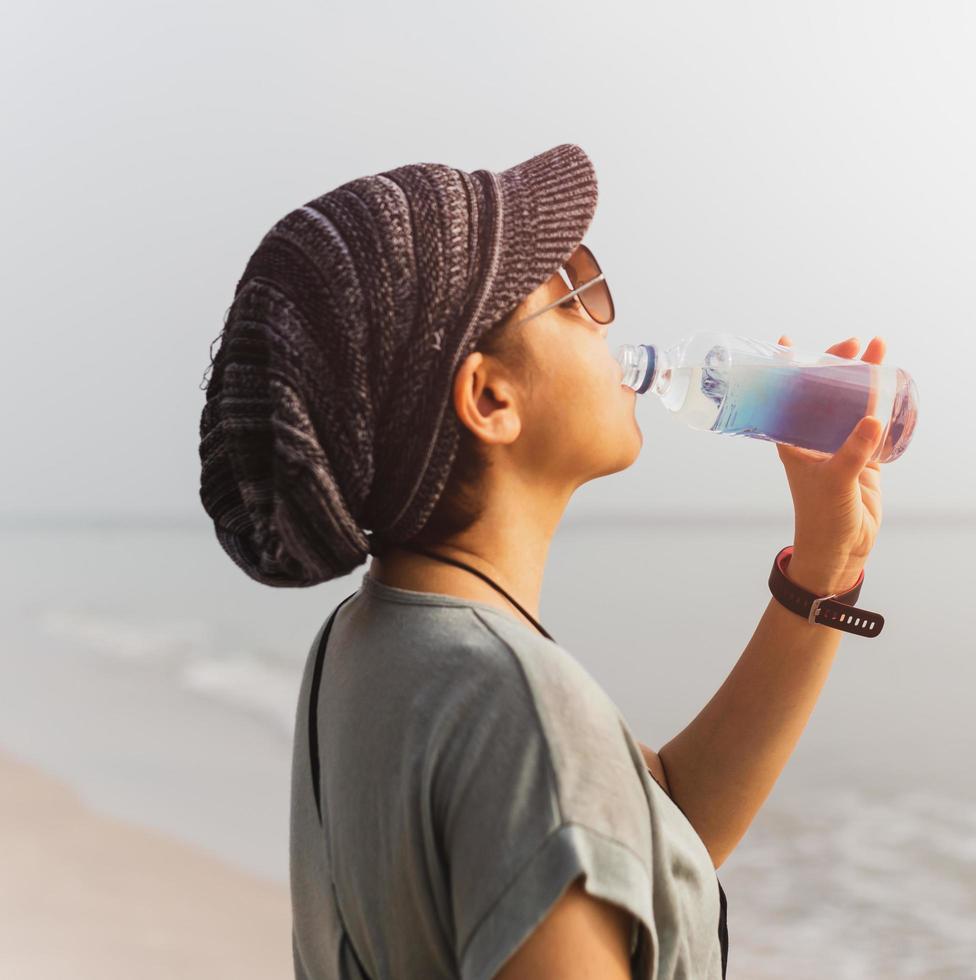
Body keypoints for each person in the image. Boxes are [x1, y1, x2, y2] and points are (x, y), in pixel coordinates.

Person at [197, 143, 888, 979]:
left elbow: (644, 829)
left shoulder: (368, 643)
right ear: (491, 398)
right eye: (571, 297)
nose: (607, 320)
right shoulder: (513, 704)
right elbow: (565, 797)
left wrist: (824, 569)